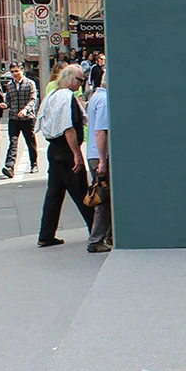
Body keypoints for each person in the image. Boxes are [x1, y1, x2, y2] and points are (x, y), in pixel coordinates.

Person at [36, 65, 92, 248]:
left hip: (54, 150)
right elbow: (68, 127)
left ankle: (46, 234)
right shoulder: (67, 97)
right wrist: (76, 153)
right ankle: (97, 230)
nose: (81, 84)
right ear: (70, 79)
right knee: (83, 192)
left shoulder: (52, 96)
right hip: (66, 151)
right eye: (80, 80)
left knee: (54, 194)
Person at [84, 70, 111, 254]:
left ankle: (105, 237)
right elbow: (100, 131)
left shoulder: (95, 97)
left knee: (104, 196)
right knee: (104, 198)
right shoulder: (105, 100)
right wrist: (103, 160)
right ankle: (97, 240)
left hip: (93, 153)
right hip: (100, 155)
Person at [2, 62, 39, 178]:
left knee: (30, 141)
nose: (14, 74)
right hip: (14, 118)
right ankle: (9, 166)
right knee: (13, 142)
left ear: (22, 70)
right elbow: (9, 100)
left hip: (27, 118)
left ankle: (34, 163)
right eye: (12, 72)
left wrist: (25, 110)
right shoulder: (9, 85)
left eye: (16, 71)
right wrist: (5, 105)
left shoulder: (30, 83)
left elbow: (33, 100)